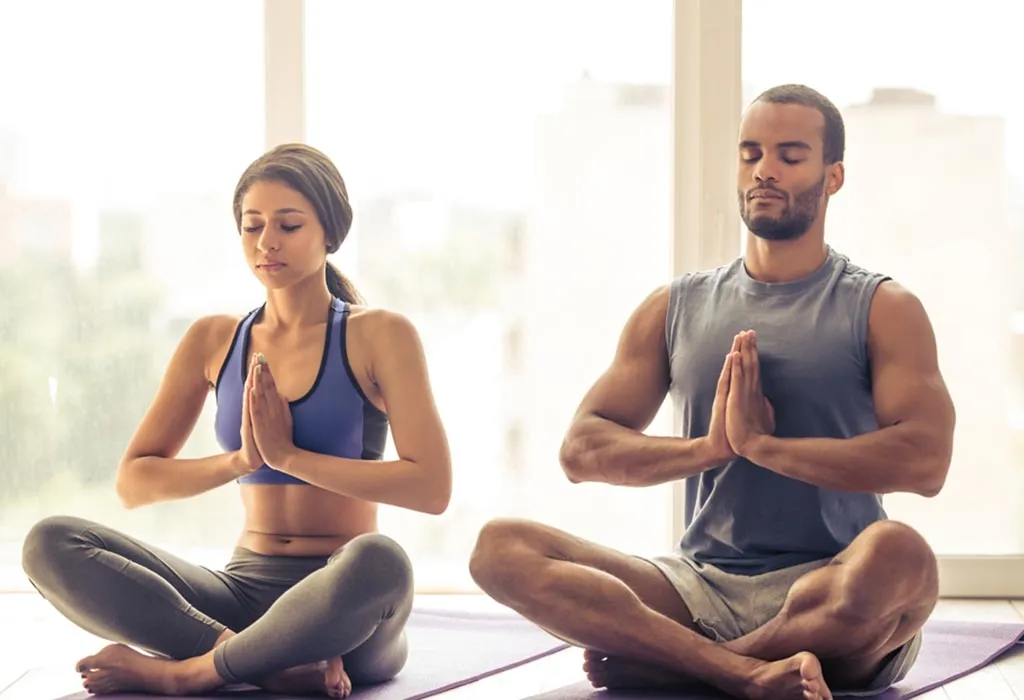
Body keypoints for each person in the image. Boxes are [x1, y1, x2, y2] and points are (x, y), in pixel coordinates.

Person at [469, 84, 956, 700]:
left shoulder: (883, 307)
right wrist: (711, 449)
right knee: (500, 547)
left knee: (903, 557)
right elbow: (582, 449)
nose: (765, 171)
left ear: (833, 177)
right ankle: (743, 673)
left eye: (789, 154)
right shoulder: (676, 305)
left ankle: (686, 665)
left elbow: (926, 462)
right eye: (751, 153)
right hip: (699, 584)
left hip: (836, 589)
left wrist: (766, 446)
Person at [21, 143, 453, 698]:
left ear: (330, 233)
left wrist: (290, 458)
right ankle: (251, 659)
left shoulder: (380, 335)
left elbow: (432, 487)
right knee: (50, 543)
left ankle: (188, 673)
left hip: (341, 610)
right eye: (252, 227)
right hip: (242, 592)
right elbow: (135, 482)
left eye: (288, 225)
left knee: (382, 560)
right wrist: (241, 461)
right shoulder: (215, 338)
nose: (267, 242)